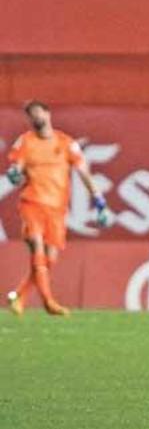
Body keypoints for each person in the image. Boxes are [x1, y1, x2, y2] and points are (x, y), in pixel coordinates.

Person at [5, 100, 107, 317]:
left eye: (38, 113)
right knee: (37, 247)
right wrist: (14, 174)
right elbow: (16, 169)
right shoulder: (25, 142)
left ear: (48, 114)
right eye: (31, 115)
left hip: (57, 208)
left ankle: (20, 296)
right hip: (32, 203)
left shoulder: (66, 143)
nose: (36, 118)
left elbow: (84, 173)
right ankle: (48, 302)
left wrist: (99, 201)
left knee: (49, 259)